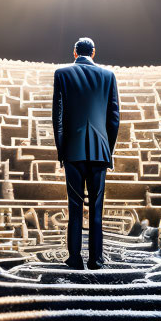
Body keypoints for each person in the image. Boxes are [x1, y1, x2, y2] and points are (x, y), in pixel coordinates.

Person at [52, 36, 119, 269]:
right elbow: (114, 119)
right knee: (97, 209)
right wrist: (107, 151)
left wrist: (62, 150)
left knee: (75, 207)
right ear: (94, 52)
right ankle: (96, 259)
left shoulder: (61, 74)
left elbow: (57, 117)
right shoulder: (109, 76)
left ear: (74, 52)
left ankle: (75, 258)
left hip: (73, 150)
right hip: (100, 152)